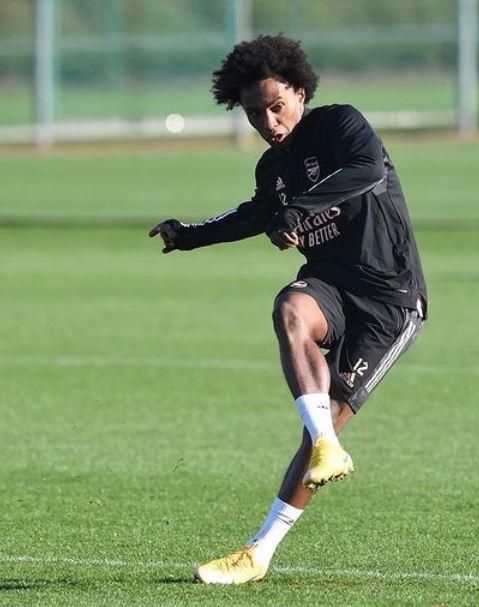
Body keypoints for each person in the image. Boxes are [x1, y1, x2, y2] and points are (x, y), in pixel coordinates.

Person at [148, 35, 427, 585]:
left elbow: (367, 170)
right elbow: (255, 214)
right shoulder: (271, 169)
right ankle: (326, 447)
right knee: (290, 310)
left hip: (389, 303)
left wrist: (298, 209)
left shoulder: (341, 125)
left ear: (300, 92)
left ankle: (261, 550)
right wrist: (190, 235)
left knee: (315, 436)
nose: (269, 121)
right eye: (255, 113)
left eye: (277, 105)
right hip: (331, 283)